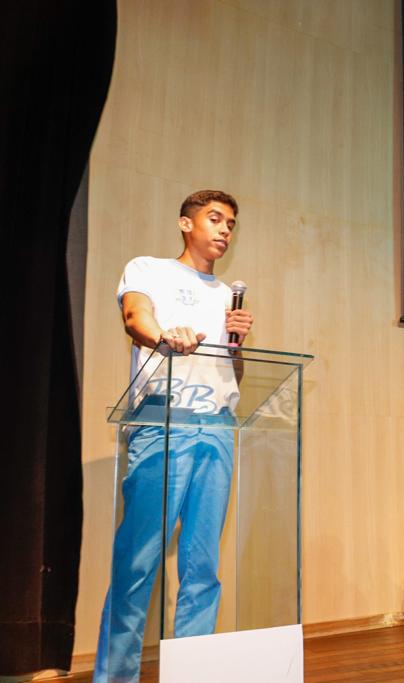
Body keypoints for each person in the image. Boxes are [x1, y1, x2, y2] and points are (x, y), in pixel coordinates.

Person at [94, 190, 254, 682]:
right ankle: (116, 676)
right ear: (186, 224)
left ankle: (193, 674)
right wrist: (165, 336)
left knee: (202, 568)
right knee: (138, 563)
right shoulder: (148, 269)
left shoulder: (228, 295)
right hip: (164, 421)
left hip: (218, 428)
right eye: (214, 219)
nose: (225, 229)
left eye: (230, 222)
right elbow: (135, 319)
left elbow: (235, 377)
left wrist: (238, 344)